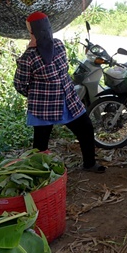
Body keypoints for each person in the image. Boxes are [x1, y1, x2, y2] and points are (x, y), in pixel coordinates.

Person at [14, 11, 105, 173]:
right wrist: (38, 95)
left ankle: (90, 163)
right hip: (43, 106)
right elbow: (20, 84)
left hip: (68, 99)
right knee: (40, 146)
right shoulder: (28, 57)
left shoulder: (58, 45)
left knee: (85, 128)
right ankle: (39, 174)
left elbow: (64, 71)